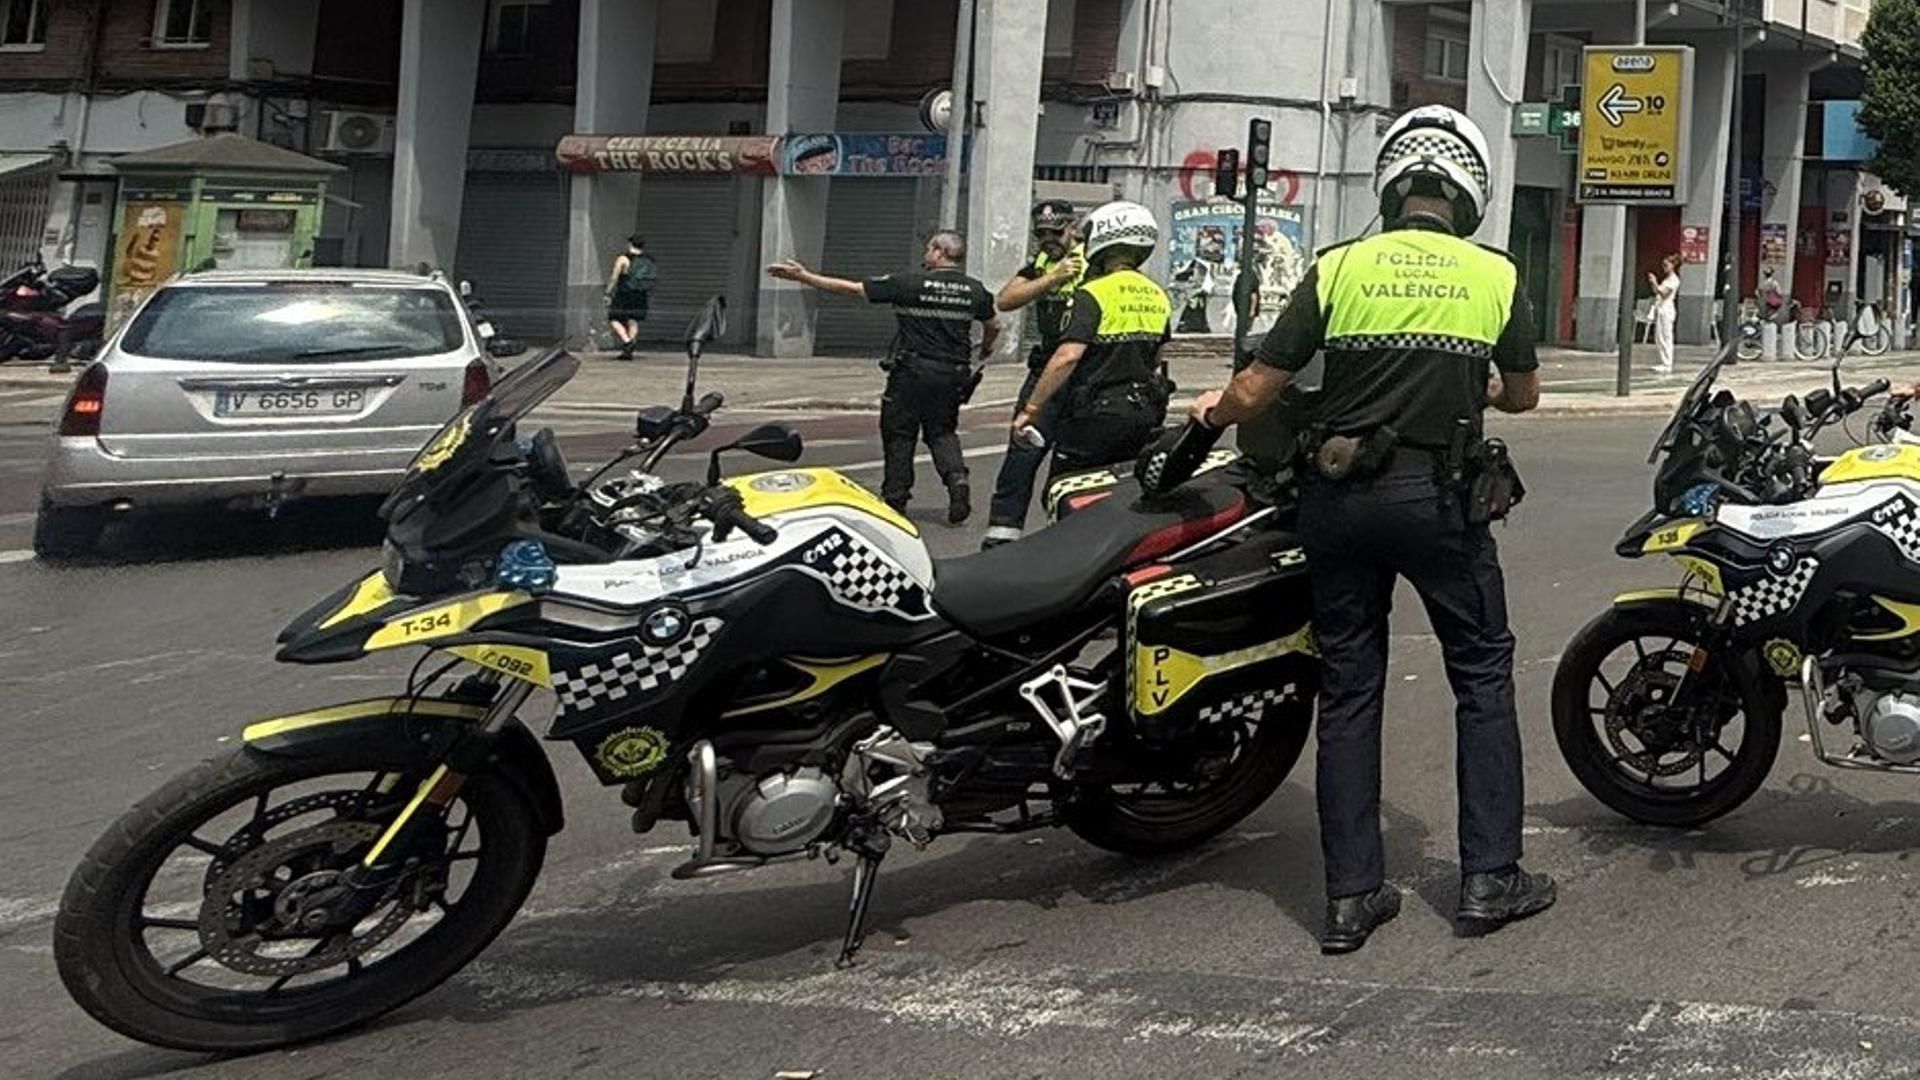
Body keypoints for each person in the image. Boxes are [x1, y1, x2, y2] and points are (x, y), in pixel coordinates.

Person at [1160, 104, 1552, 954]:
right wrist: (1466, 388)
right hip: (1440, 502)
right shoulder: (1494, 274)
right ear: (1465, 195)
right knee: (1482, 675)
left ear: (1393, 186)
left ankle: (1350, 898)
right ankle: (1490, 879)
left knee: (1348, 687)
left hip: (1337, 499)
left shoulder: (1338, 266)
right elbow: (1522, 395)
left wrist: (1212, 410)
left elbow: (1257, 391)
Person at [767, 231, 998, 523]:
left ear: (939, 252)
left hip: (912, 373)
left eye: (929, 248)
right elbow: (994, 325)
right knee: (942, 431)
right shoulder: (975, 290)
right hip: (952, 374)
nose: (925, 253)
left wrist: (805, 277)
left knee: (899, 434)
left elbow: (852, 289)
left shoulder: (907, 283)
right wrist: (986, 348)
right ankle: (957, 482)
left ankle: (896, 500)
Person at [1010, 201, 1173, 486]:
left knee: (1066, 488)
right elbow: (1157, 356)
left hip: (1095, 412)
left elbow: (1068, 357)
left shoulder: (1093, 292)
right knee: (1121, 489)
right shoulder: (1157, 294)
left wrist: (1032, 409)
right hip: (1142, 411)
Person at [981, 199, 1086, 548]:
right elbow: (1006, 299)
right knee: (1021, 452)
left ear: (1073, 227)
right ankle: (1001, 538)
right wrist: (1052, 278)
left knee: (1071, 462)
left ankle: (1065, 540)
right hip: (1044, 368)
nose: (1048, 240)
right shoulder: (1043, 263)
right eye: (1040, 234)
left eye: (1055, 232)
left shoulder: (1092, 260)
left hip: (1083, 370)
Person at [605, 235, 656, 361]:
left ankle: (627, 342)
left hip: (624, 293)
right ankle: (629, 349)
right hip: (640, 293)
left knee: (614, 318)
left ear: (630, 244)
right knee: (633, 320)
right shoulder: (648, 259)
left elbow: (614, 277)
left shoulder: (623, 258)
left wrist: (608, 292)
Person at [1648, 253, 1680, 376]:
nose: (1664, 267)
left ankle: (1667, 363)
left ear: (1673, 266)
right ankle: (1663, 361)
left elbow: (1664, 293)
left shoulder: (1674, 280)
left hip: (1666, 309)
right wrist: (1653, 283)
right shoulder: (1667, 279)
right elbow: (1657, 291)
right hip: (1661, 308)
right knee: (1659, 337)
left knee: (1666, 337)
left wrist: (1655, 282)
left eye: (1666, 265)